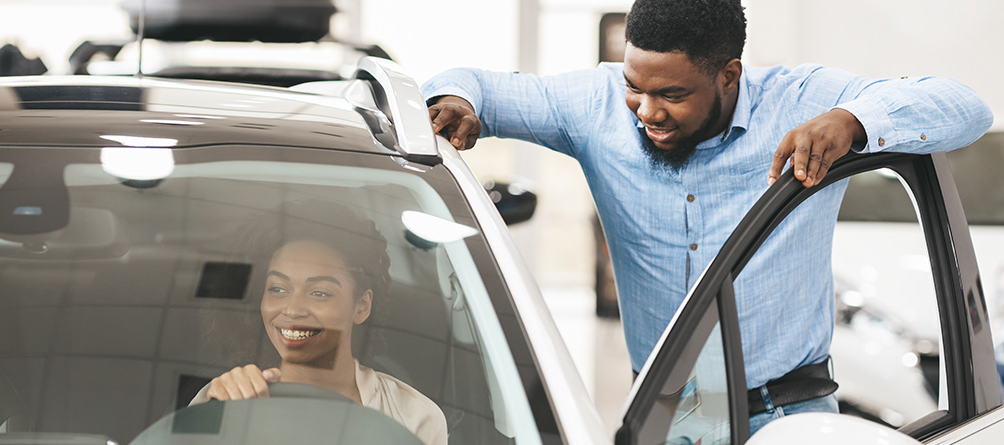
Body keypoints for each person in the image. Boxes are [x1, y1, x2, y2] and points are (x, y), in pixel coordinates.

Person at [422, 0, 992, 434]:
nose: (646, 111)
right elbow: (470, 86)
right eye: (633, 87)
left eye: (671, 94)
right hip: (667, 418)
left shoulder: (799, 100)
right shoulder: (593, 106)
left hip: (791, 416)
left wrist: (852, 121)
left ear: (728, 75)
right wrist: (459, 101)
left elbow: (964, 105)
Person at [190, 200, 448, 445]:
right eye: (278, 289)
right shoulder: (222, 401)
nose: (292, 310)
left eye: (319, 293)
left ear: (362, 306)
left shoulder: (414, 417)